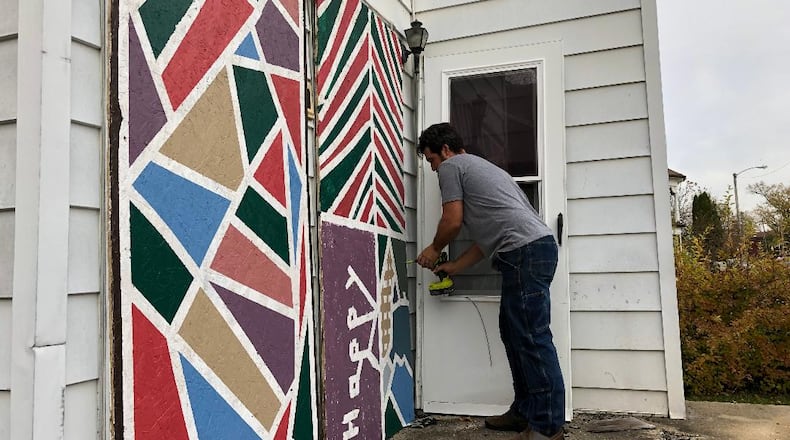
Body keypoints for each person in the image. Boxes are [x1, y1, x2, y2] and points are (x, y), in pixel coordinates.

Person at [415, 123, 565, 440]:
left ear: (444, 149)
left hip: (524, 253)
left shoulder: (453, 166)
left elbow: (452, 220)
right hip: (530, 250)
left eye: (431, 160)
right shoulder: (481, 168)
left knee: (531, 338)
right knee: (514, 334)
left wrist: (434, 249)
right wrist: (454, 266)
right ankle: (524, 411)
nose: (433, 168)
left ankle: (547, 428)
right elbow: (486, 242)